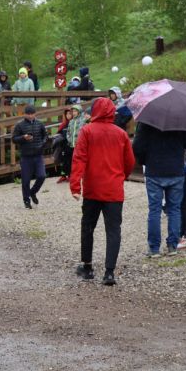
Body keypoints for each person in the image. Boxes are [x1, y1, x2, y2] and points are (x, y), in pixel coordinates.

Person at [70, 98, 135, 285]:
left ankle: (88, 267)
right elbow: (129, 161)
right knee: (113, 230)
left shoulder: (87, 131)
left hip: (92, 189)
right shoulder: (121, 134)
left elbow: (79, 158)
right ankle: (109, 272)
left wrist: (75, 186)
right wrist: (122, 176)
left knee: (88, 227)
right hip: (114, 190)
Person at [133, 121, 186, 258]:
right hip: (175, 168)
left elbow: (137, 146)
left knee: (154, 209)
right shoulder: (180, 119)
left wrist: (145, 160)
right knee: (174, 209)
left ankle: (154, 248)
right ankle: (172, 245)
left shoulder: (147, 121)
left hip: (154, 168)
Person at [12, 105, 47, 209]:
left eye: (32, 114)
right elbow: (14, 139)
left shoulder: (40, 123)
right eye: (28, 114)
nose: (31, 116)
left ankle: (32, 192)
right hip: (26, 156)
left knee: (42, 176)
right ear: (25, 114)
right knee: (26, 180)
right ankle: (26, 200)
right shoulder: (20, 125)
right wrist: (23, 137)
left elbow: (45, 136)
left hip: (38, 155)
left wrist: (42, 144)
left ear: (35, 114)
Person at [56, 107, 73, 183]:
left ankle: (70, 176)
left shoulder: (74, 124)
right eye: (67, 114)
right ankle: (63, 176)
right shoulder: (63, 124)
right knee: (62, 161)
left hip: (71, 146)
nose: (68, 115)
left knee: (70, 161)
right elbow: (59, 133)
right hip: (63, 146)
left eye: (70, 113)